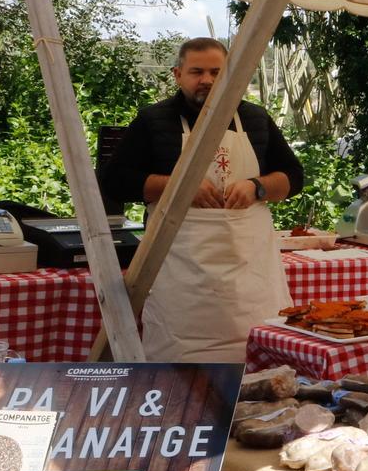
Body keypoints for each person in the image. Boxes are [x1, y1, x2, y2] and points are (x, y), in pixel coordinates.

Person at [99, 37, 303, 362]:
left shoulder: (256, 119)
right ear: (178, 75)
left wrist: (257, 187)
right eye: (197, 72)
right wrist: (177, 187)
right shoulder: (153, 121)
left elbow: (293, 176)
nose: (206, 80)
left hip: (248, 274)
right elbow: (115, 181)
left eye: (215, 72)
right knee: (180, 368)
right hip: (180, 277)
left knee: (259, 362)